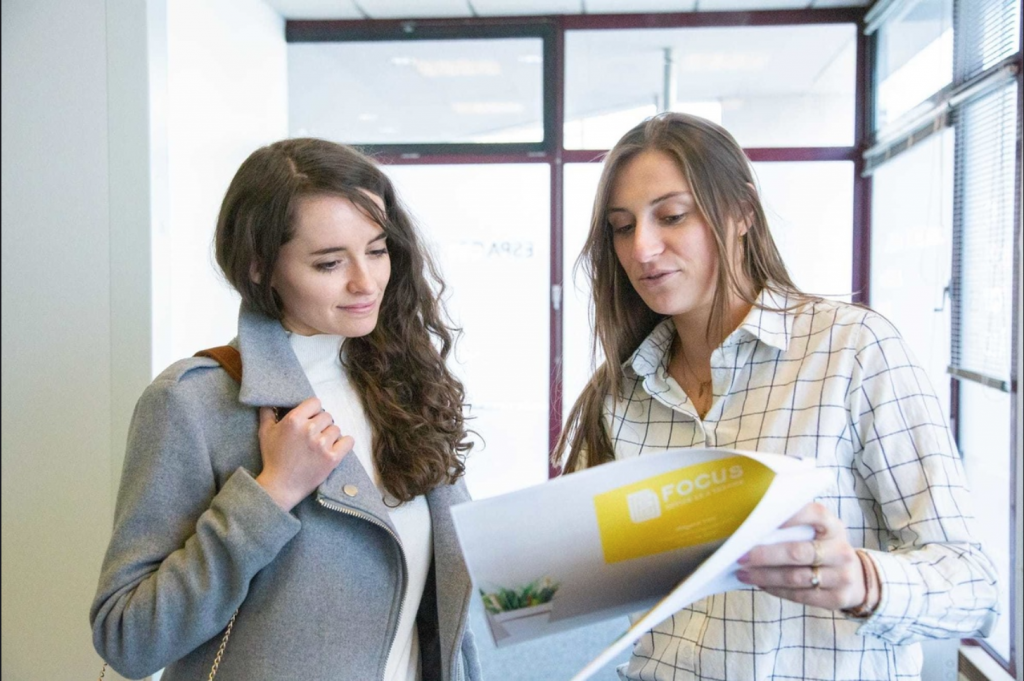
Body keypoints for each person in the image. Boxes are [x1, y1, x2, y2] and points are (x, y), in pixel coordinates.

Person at [552, 113, 999, 681]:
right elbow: (587, 590)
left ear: (741, 212)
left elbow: (974, 587)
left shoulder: (852, 351)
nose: (642, 248)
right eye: (621, 226)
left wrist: (861, 580)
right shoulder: (620, 392)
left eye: (672, 216)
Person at [91, 138, 480, 681]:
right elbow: (127, 638)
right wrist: (272, 492)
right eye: (328, 263)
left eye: (376, 249)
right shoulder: (194, 402)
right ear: (259, 268)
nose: (365, 283)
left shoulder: (405, 382)